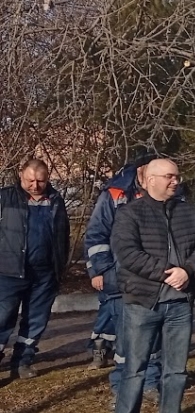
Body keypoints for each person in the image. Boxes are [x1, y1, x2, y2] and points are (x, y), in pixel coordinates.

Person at [109, 158, 195, 413]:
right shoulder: (130, 214)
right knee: (135, 368)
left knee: (176, 368)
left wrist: (188, 271)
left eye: (177, 176)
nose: (175, 181)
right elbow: (127, 253)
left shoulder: (190, 212)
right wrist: (167, 273)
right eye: (169, 176)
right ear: (150, 179)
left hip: (180, 302)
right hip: (143, 302)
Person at [83, 157, 163, 400]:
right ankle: (122, 386)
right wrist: (103, 270)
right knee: (125, 337)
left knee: (154, 336)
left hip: (155, 279)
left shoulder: (168, 194)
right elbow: (96, 235)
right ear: (141, 171)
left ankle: (151, 383)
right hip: (121, 278)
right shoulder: (114, 194)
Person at [0, 158, 70, 379]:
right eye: (30, 180)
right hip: (8, 272)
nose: (35, 186)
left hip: (44, 274)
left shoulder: (56, 201)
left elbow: (63, 236)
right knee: (2, 317)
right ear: (21, 175)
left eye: (40, 181)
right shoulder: (5, 198)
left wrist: (59, 266)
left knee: (36, 320)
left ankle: (23, 361)